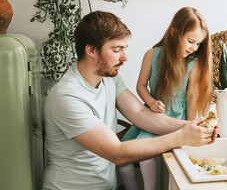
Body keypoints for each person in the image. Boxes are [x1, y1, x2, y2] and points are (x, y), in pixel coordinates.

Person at [42, 11, 216, 190]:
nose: (125, 57)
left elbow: (140, 113)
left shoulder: (109, 78)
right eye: (117, 50)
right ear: (91, 50)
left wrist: (190, 126)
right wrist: (182, 136)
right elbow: (117, 153)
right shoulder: (68, 97)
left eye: (124, 49)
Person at [119, 7, 212, 190]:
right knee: (123, 159)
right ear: (174, 33)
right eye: (191, 41)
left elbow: (192, 97)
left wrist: (190, 125)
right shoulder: (152, 55)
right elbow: (141, 86)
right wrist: (151, 101)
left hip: (177, 118)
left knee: (146, 158)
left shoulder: (194, 63)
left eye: (198, 44)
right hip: (151, 117)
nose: (194, 48)